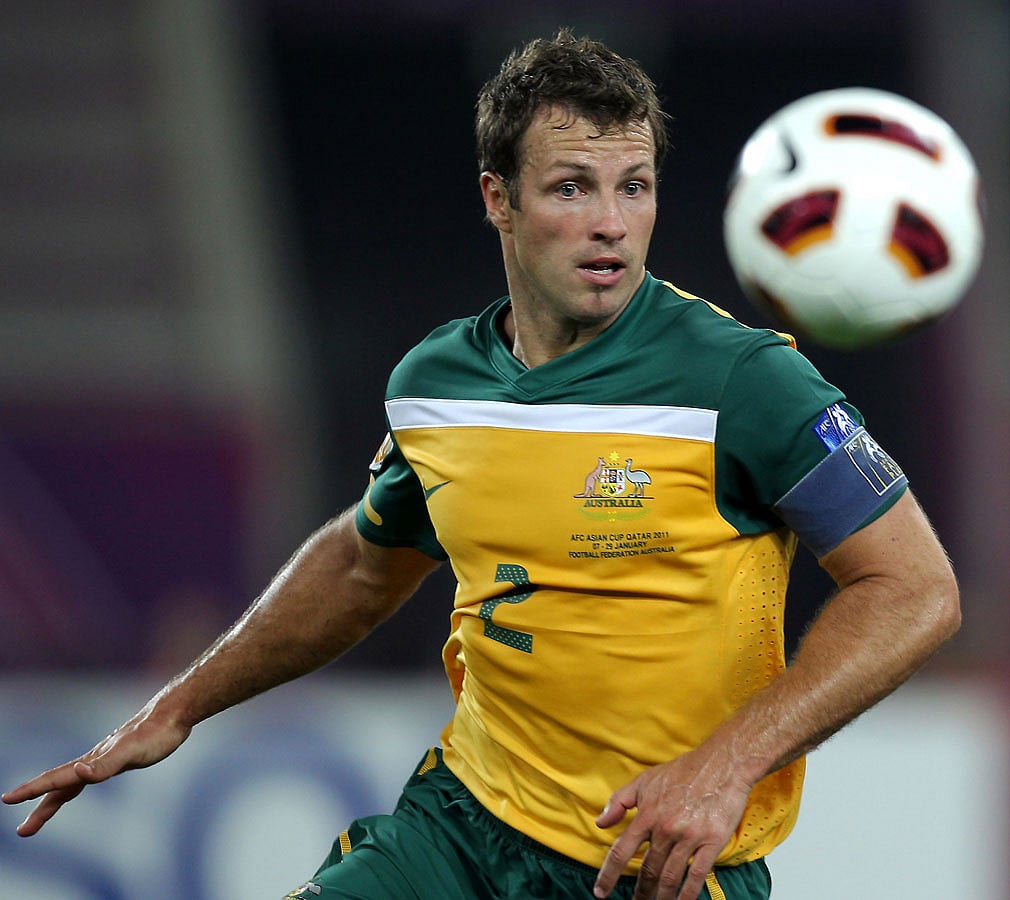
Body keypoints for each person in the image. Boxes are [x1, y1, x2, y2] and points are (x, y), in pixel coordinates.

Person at [2, 29, 960, 900]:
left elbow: (915, 590)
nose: (612, 223)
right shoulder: (437, 386)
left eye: (634, 186)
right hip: (459, 832)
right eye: (572, 187)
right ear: (498, 198)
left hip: (655, 869)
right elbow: (365, 562)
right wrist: (180, 705)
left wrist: (728, 764)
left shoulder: (741, 380)